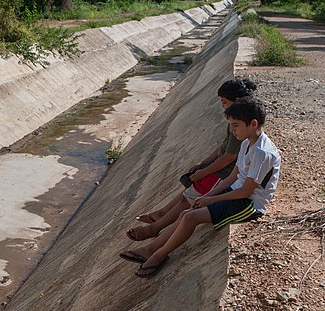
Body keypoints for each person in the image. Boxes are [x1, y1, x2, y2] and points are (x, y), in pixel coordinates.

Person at [120, 98, 281, 278]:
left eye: (235, 125)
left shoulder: (262, 152)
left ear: (253, 123)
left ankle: (158, 255)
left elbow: (246, 191)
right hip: (235, 193)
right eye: (230, 125)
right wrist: (208, 195)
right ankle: (150, 249)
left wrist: (211, 199)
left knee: (190, 217)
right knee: (185, 213)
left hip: (249, 205)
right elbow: (232, 177)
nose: (232, 130)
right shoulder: (246, 143)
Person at [126, 78, 257, 242]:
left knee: (186, 202)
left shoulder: (240, 123)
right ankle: (161, 215)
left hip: (222, 174)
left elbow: (229, 157)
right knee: (187, 194)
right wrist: (203, 164)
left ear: (236, 101)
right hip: (218, 169)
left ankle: (154, 229)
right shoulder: (237, 119)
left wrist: (204, 171)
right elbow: (223, 147)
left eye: (224, 102)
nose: (222, 106)